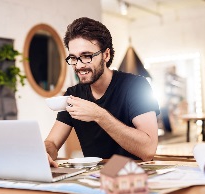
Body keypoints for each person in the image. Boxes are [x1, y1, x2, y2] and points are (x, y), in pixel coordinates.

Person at [45, 17, 160, 167]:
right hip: (93, 179)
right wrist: (45, 152)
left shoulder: (136, 86)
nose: (79, 65)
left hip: (133, 177)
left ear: (106, 55)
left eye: (86, 56)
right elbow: (53, 142)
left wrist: (99, 115)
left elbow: (148, 150)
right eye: (73, 58)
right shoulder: (73, 94)